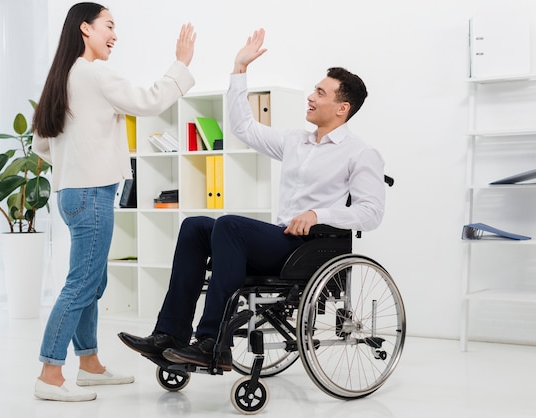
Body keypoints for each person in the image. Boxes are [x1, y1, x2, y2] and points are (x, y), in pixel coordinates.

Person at [119, 28, 384, 371]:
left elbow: (371, 213)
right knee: (195, 226)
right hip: (279, 238)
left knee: (230, 225)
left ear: (341, 108)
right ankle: (169, 335)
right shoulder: (295, 141)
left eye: (320, 92)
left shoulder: (360, 153)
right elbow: (243, 128)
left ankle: (214, 342)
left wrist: (318, 214)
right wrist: (239, 70)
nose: (311, 96)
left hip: (308, 248)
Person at [31, 3, 196, 402]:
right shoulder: (93, 73)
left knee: (92, 280)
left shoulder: (64, 76)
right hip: (91, 193)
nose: (115, 35)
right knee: (82, 283)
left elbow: (41, 143)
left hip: (73, 193)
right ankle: (50, 374)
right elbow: (148, 101)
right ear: (85, 28)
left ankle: (88, 364)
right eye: (109, 26)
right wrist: (181, 64)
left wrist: (77, 157)